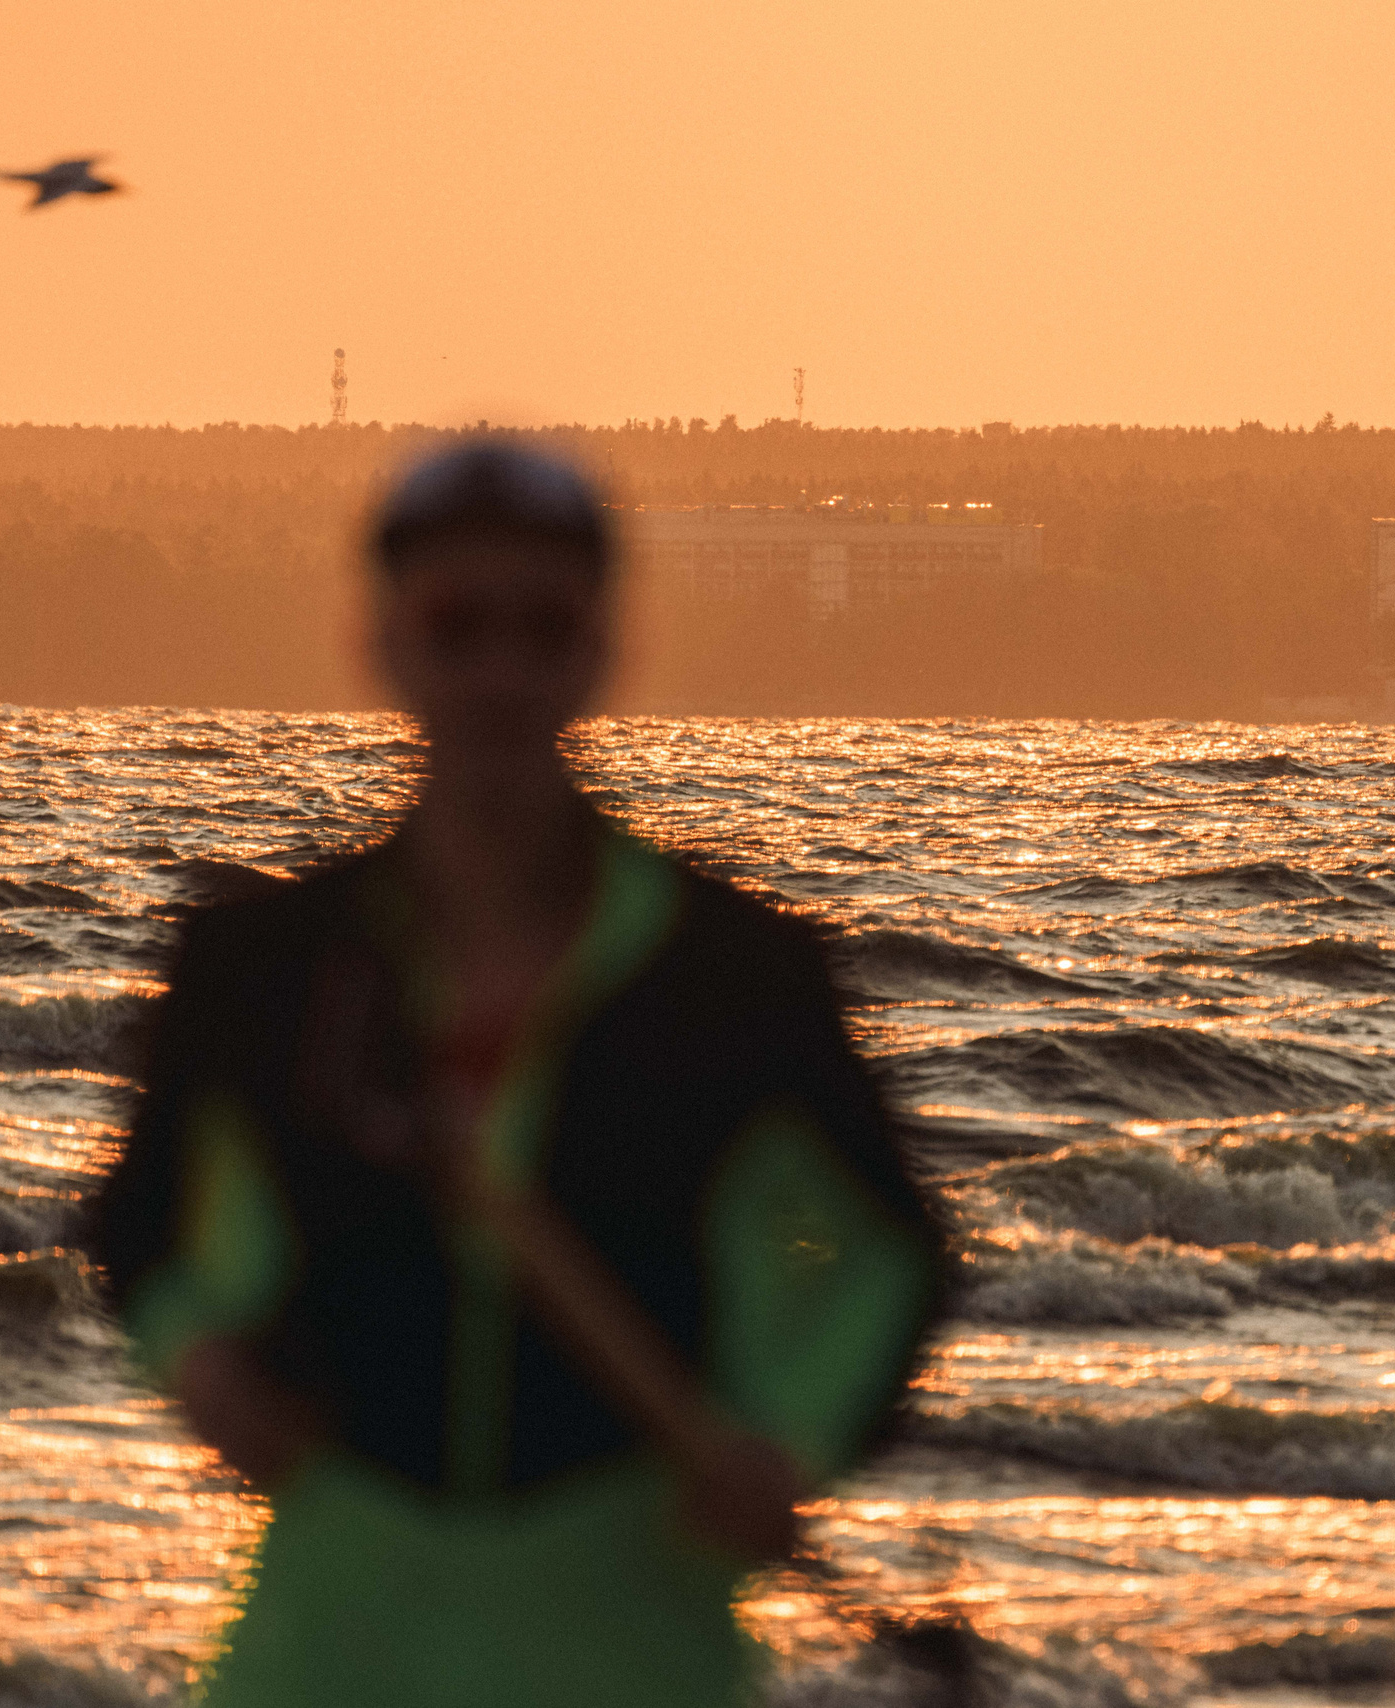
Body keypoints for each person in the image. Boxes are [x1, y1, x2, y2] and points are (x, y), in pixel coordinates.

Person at [90, 440, 942, 1707]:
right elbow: (137, 1220)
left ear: (604, 648)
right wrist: (203, 1364)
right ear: (383, 642)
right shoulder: (259, 960)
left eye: (544, 628)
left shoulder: (739, 968)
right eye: (458, 624)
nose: (499, 669)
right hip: (334, 1613)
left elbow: (895, 1253)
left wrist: (787, 1439)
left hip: (628, 1614)